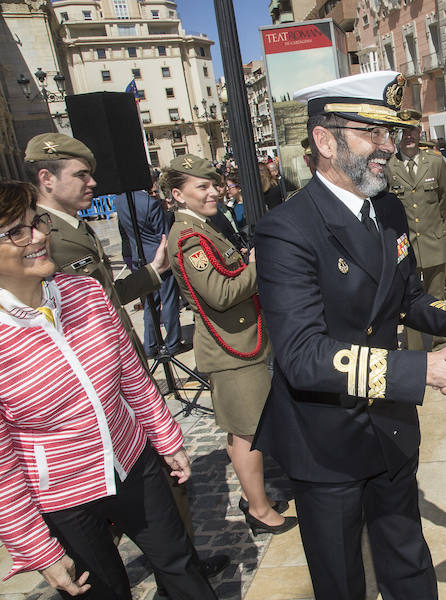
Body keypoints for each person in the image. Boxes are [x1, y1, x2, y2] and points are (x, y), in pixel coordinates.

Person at [251, 71, 446, 600]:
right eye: (373, 133)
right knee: (342, 580)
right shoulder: (287, 230)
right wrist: (426, 370)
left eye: (389, 134)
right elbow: (302, 357)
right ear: (325, 141)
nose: (388, 147)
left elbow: (408, 299)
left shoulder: (386, 209)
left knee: (408, 562)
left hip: (388, 425)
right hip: (325, 441)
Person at [0, 181, 217, 600]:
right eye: (16, 232)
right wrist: (36, 546)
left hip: (133, 463)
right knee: (102, 592)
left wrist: (166, 438)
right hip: (62, 497)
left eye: (36, 223)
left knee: (180, 565)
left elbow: (132, 378)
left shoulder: (86, 293)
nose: (39, 237)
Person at [161, 154, 297, 537]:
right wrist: (259, 263)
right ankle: (258, 509)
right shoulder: (189, 238)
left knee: (245, 427)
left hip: (243, 340)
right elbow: (220, 294)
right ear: (178, 195)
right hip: (231, 348)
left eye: (213, 185)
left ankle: (257, 497)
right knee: (247, 431)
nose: (213, 192)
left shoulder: (203, 228)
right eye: (201, 187)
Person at [24, 134, 167, 358]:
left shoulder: (76, 226)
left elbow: (104, 296)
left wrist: (154, 270)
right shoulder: (37, 240)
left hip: (117, 359)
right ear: (47, 178)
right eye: (81, 175)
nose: (92, 182)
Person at [386, 119, 446, 350]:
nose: (409, 136)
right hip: (404, 246)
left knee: (436, 295)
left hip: (432, 240)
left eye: (413, 131)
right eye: (404, 131)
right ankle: (415, 347)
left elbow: (442, 199)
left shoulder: (436, 163)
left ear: (420, 133)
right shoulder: (389, 166)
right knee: (407, 299)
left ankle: (439, 342)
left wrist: (438, 228)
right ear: (398, 135)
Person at [116, 184, 188, 358]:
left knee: (149, 303)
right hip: (158, 256)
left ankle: (150, 344)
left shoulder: (120, 200)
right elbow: (163, 234)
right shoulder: (150, 203)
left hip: (138, 255)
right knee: (169, 300)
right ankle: (172, 343)